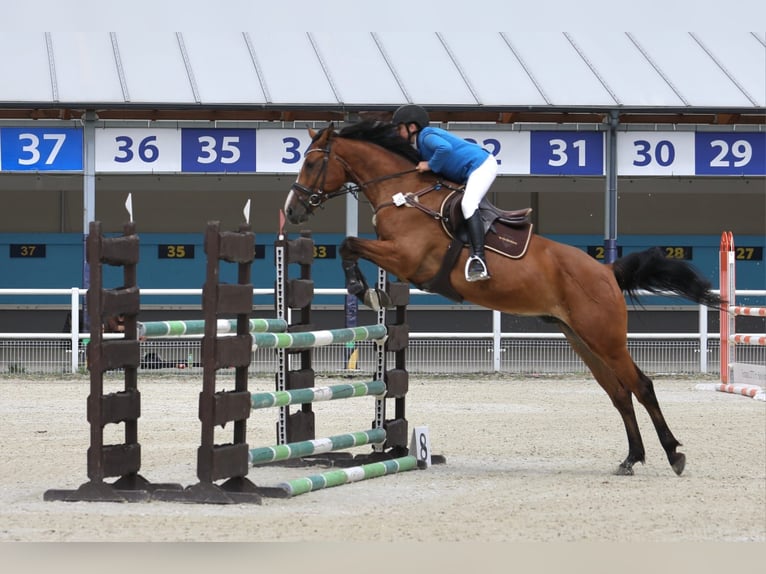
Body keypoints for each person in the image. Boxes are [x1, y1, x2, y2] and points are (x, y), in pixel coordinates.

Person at [392, 104, 497, 282]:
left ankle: (478, 259)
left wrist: (430, 165)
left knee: (468, 203)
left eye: (399, 128)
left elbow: (445, 149)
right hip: (467, 173)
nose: (397, 133)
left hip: (482, 166)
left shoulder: (426, 136)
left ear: (412, 127)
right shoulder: (420, 147)